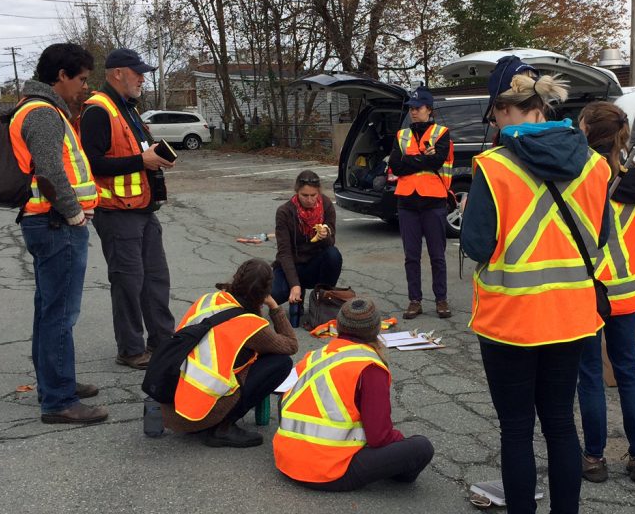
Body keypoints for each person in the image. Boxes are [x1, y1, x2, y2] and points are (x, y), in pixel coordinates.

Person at [461, 55, 610, 514]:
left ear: (504, 109)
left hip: (510, 321)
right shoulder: (594, 164)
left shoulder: (492, 167)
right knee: (562, 425)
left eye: (493, 115)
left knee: (516, 430)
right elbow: (600, 236)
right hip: (572, 318)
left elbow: (478, 245)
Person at [11, 43, 106, 424]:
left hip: (46, 222)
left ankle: (56, 381)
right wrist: (74, 215)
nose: (84, 86)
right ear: (62, 76)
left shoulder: (36, 108)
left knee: (49, 309)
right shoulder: (44, 114)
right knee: (60, 313)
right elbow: (50, 171)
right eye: (81, 79)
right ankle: (59, 399)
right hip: (56, 224)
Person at [575, 102, 635, 485]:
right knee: (628, 373)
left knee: (591, 375)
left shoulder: (579, 177)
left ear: (589, 131)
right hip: (629, 289)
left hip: (591, 288)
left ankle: (594, 457)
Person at [79, 48, 176, 370]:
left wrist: (154, 159)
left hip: (142, 209)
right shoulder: (98, 110)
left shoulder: (128, 109)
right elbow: (92, 163)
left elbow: (136, 153)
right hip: (116, 212)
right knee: (129, 284)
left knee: (156, 279)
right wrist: (141, 160)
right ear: (118, 73)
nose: (142, 78)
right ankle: (131, 349)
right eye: (137, 72)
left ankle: (163, 342)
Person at [274, 297, 434, 491]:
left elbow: (285, 401)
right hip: (327, 471)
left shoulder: (316, 356)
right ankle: (396, 472)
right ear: (376, 329)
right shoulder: (369, 366)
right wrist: (399, 442)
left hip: (286, 458)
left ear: (338, 325)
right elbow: (379, 437)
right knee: (420, 448)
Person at [162, 258, 297, 447]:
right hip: (199, 415)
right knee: (281, 363)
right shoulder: (250, 325)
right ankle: (222, 428)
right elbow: (291, 344)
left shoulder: (208, 300)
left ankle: (216, 419)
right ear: (265, 292)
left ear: (236, 278)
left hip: (170, 402)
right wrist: (274, 307)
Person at [388, 86, 454, 319]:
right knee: (411, 256)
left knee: (437, 255)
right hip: (407, 201)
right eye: (411, 109)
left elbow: (437, 161)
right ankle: (414, 300)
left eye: (417, 108)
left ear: (429, 109)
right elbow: (396, 165)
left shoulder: (442, 133)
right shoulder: (401, 135)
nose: (413, 112)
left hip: (434, 201)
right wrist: (422, 158)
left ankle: (441, 300)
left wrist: (412, 160)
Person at [271, 170, 342, 327]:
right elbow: (284, 252)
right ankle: (297, 291)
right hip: (292, 264)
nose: (310, 200)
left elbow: (331, 242)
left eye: (313, 195)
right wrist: (295, 285)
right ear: (297, 192)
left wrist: (325, 235)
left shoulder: (326, 205)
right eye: (305, 195)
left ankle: (322, 300)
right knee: (275, 294)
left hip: (314, 264)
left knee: (333, 255)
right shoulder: (285, 212)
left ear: (319, 193)